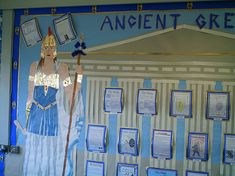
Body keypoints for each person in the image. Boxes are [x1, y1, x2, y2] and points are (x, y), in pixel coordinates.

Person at [21, 27, 84, 176]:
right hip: (35, 116)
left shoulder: (62, 67)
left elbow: (71, 93)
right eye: (46, 46)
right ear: (42, 49)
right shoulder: (33, 66)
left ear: (55, 49)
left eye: (52, 46)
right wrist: (27, 122)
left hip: (52, 116)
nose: (49, 49)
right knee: (34, 155)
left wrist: (79, 77)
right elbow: (30, 96)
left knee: (51, 154)